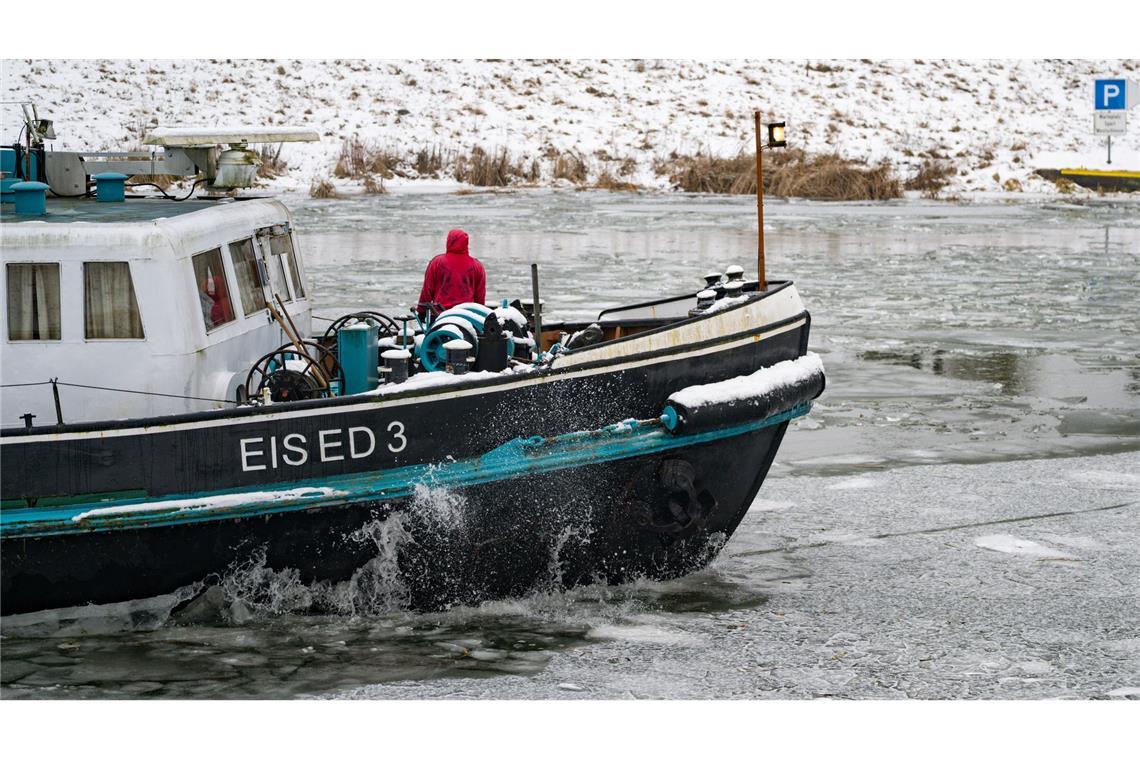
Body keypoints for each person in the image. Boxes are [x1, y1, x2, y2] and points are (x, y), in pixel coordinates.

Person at [417, 229, 486, 317]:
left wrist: (421, 311)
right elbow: (479, 296)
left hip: (440, 315)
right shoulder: (477, 266)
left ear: (449, 241)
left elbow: (427, 289)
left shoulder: (437, 262)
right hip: (467, 315)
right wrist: (479, 315)